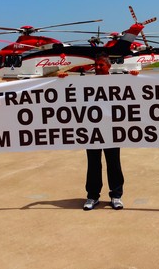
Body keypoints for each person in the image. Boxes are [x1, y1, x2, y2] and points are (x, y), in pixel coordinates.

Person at [58, 53, 136, 211]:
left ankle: (116, 195)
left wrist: (134, 77)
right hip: (91, 129)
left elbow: (136, 93)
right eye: (96, 65)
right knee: (93, 163)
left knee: (113, 162)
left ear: (109, 66)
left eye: (102, 65)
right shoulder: (86, 82)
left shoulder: (118, 82)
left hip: (112, 129)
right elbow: (68, 92)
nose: (98, 68)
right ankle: (92, 196)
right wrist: (62, 79)